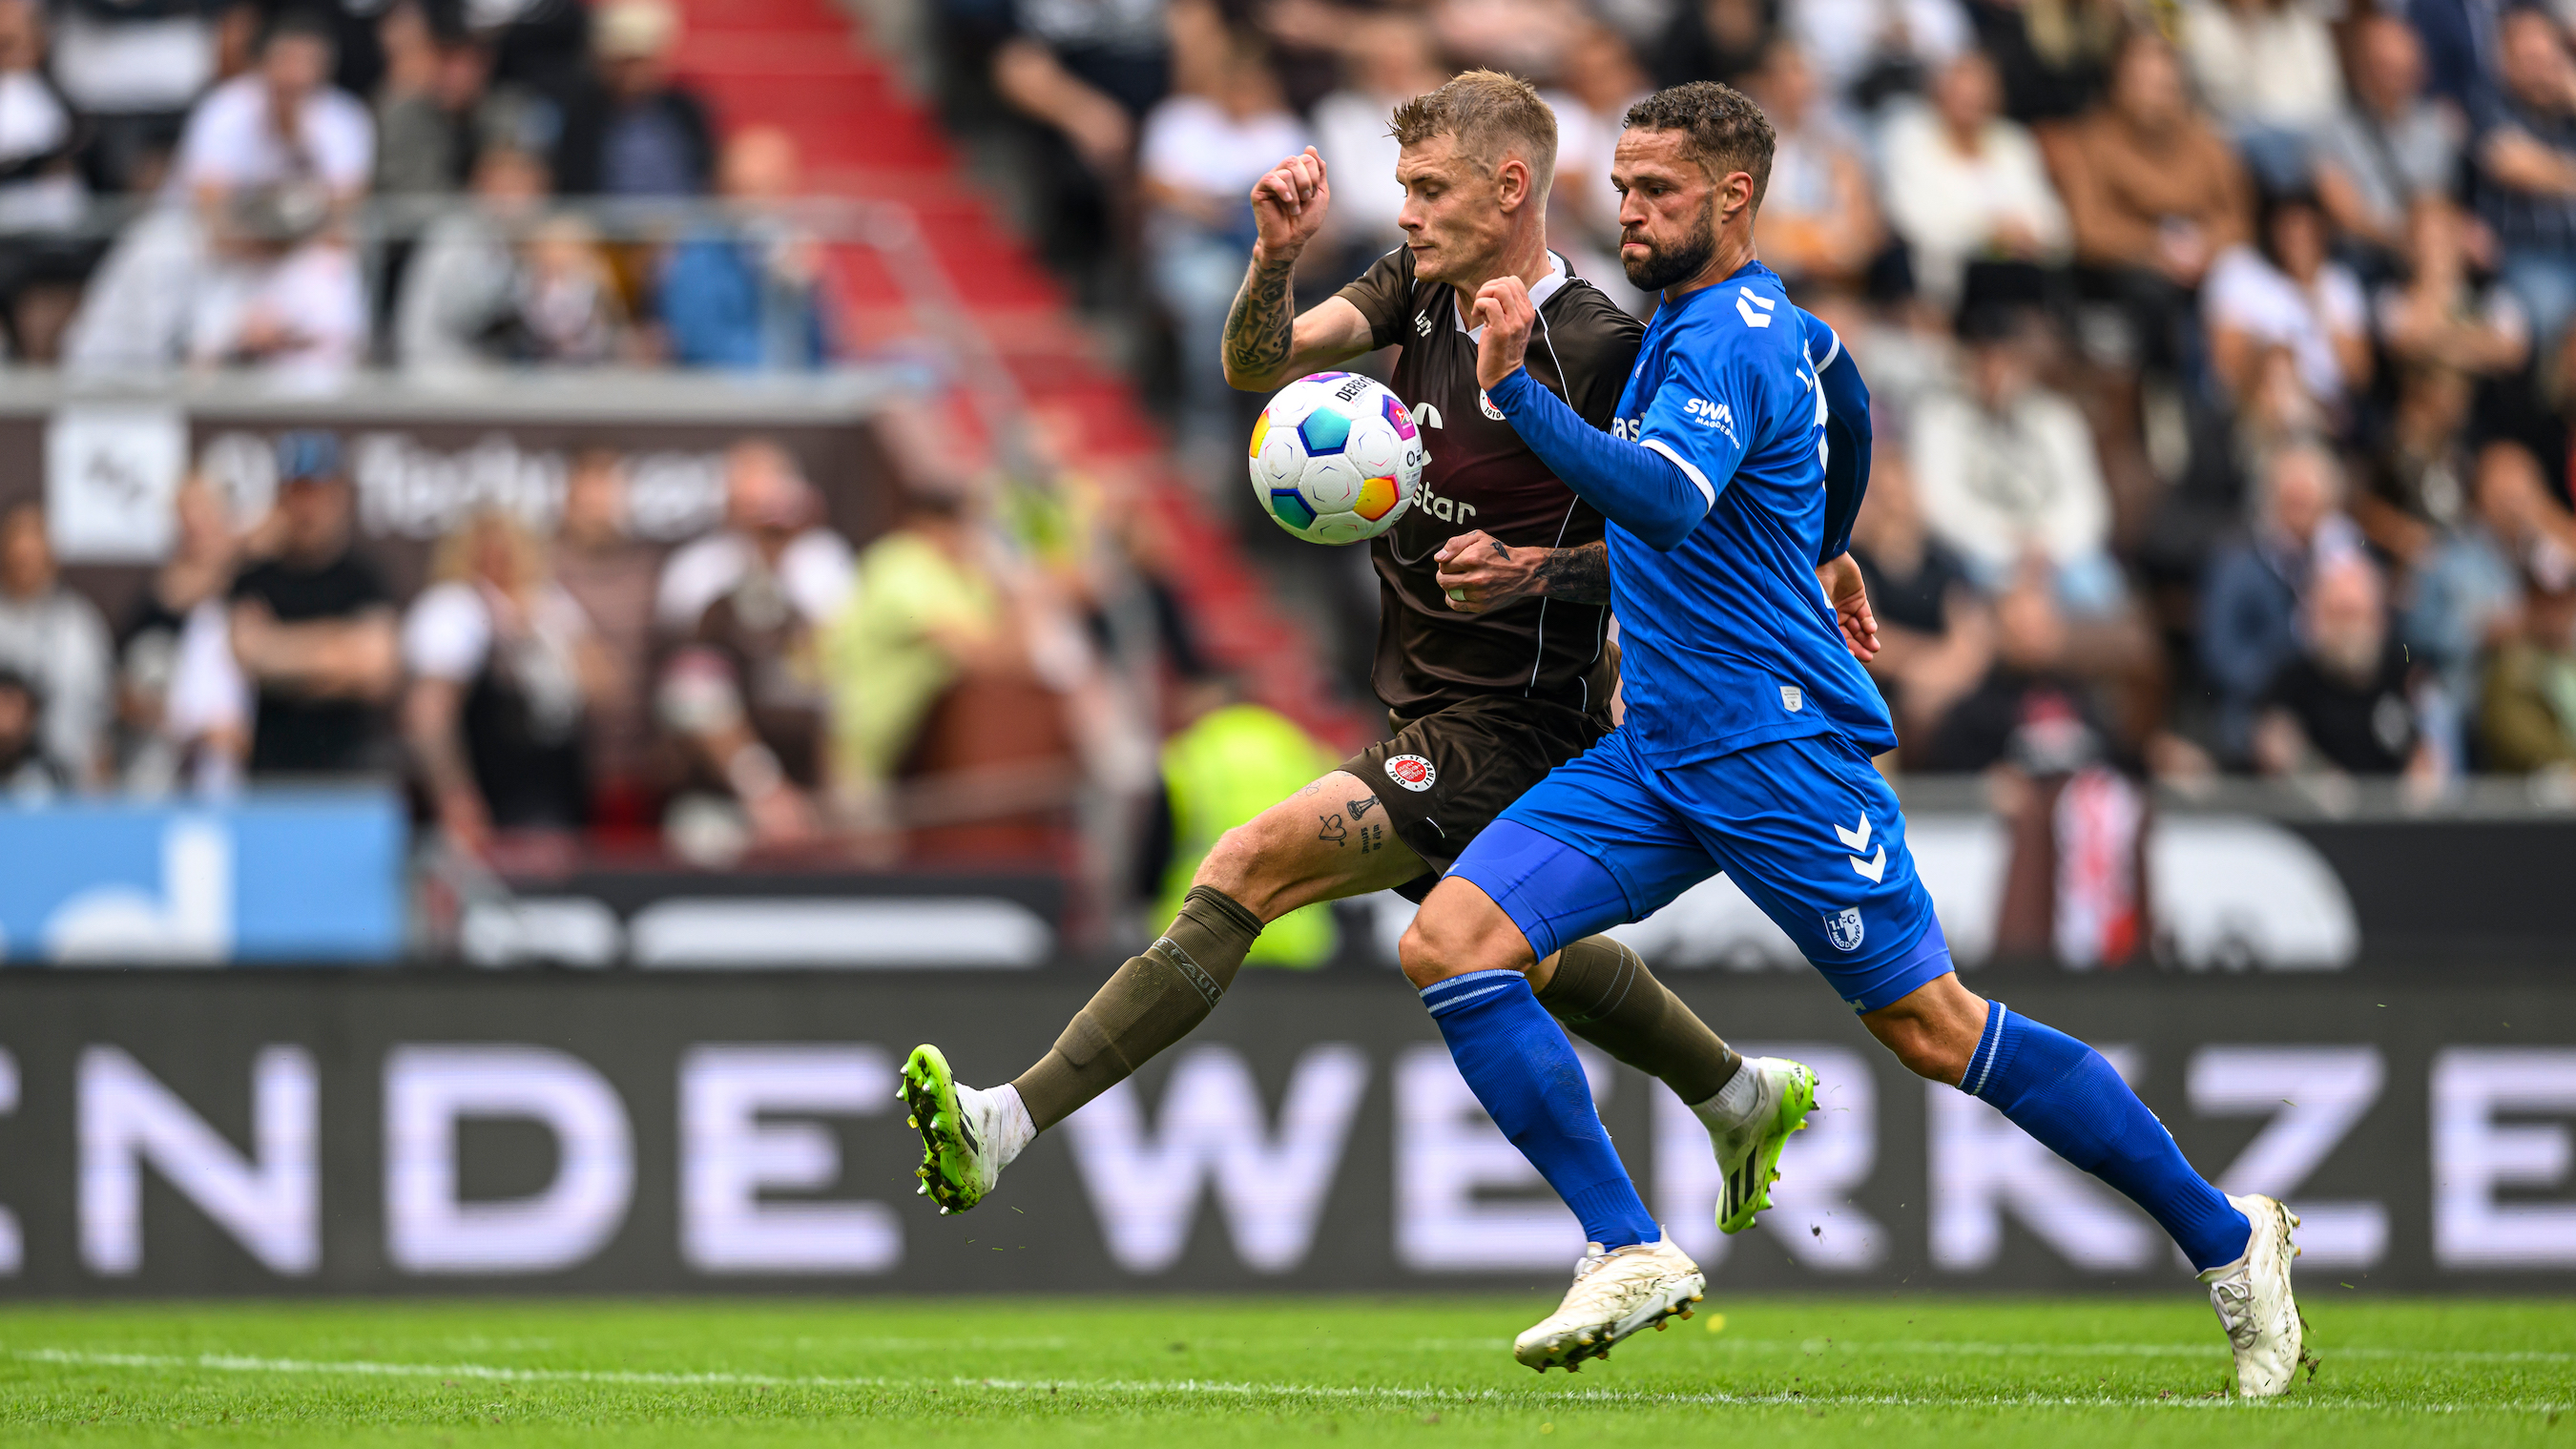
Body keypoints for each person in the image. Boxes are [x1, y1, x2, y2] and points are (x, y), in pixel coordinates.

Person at [901, 74, 1853, 1300]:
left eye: (1427, 189)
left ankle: (1006, 1124)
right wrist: (1273, 259)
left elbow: (1691, 524)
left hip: (1518, 723)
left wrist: (1539, 572)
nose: (1401, 212)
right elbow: (1260, 363)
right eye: (1399, 188)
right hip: (1421, 703)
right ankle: (1735, 1088)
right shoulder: (1417, 292)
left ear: (1511, 190)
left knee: (1250, 861)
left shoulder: (1609, 348)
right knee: (1526, 955)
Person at [1450, 80, 2300, 1389]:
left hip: (1775, 749)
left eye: (1658, 191)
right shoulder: (1742, 319)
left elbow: (1669, 500)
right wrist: (1830, 544)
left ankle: (2230, 1234)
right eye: (1621, 186)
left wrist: (1518, 396)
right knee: (1454, 942)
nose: (1628, 210)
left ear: (1735, 196)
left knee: (1934, 1028)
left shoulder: (1727, 332)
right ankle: (1625, 1241)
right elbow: (1844, 390)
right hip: (1661, 747)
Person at [403, 508, 607, 852]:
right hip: (491, 800)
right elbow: (427, 714)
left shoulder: (548, 603)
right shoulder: (453, 611)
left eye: (508, 554)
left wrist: (542, 635)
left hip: (555, 798)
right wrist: (455, 796)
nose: (499, 566)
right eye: (488, 556)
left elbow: (603, 688)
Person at [227, 431, 401, 778]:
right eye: (297, 494)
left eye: (318, 494)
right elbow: (248, 656)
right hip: (271, 775)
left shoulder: (364, 579)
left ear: (340, 497)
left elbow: (375, 670)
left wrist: (280, 652)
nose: (308, 509)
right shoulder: (255, 581)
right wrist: (339, 648)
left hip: (349, 772)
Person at [2199, 442, 2365, 762]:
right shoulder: (2237, 563)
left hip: (2337, 697)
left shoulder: (2345, 557)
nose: (2301, 509)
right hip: (2259, 707)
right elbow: (2221, 654)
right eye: (2292, 499)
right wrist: (2287, 685)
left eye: (2310, 501)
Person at [1880, 50, 2069, 311]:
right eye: (1959, 93)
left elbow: (2055, 226)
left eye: (1978, 94)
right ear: (1938, 92)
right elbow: (1914, 220)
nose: (1969, 102)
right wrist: (1990, 231)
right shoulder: (1909, 138)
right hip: (1949, 283)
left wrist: (2027, 233)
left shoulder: (2013, 143)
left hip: (2023, 277)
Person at [658, 127, 836, 371]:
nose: (762, 204)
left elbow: (827, 350)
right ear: (725, 191)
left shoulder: (797, 248)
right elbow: (706, 349)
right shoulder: (698, 254)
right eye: (749, 190)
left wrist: (808, 290)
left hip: (794, 397)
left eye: (776, 189)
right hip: (727, 402)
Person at [2252, 552, 2441, 781]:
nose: (2349, 629)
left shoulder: (2403, 674)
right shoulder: (2293, 678)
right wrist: (2316, 778)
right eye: (2338, 614)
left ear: (2380, 618)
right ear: (2315, 618)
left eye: (2358, 614)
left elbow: (2428, 752)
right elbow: (2274, 740)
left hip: (2392, 811)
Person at [2312, 14, 2460, 262]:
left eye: (2401, 68)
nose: (2392, 78)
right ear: (2362, 69)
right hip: (2364, 258)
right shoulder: (2333, 130)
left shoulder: (2436, 126)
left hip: (2425, 257)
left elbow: (2438, 200)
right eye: (2382, 67)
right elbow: (2345, 213)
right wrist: (2404, 241)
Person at [2474, 9, 2576, 351]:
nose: (2539, 65)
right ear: (2505, 62)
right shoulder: (2490, 103)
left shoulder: (2568, 110)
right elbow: (2513, 164)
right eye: (2527, 56)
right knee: (2554, 319)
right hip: (2530, 254)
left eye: (2546, 52)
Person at [551, 0, 715, 197]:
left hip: (681, 223)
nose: (630, 73)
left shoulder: (687, 109)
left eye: (639, 60)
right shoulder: (580, 114)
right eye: (621, 62)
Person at [0, 500, 111, 785]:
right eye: (16, 538)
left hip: (65, 791)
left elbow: (101, 719)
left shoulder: (80, 626)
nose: (25, 551)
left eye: (34, 538)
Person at [2479, 571, 2576, 772]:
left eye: (2562, 601)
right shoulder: (2511, 666)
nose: (2554, 614)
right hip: (2532, 793)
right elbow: (2518, 740)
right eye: (2545, 602)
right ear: (2529, 603)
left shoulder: (2568, 662)